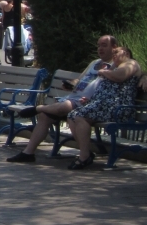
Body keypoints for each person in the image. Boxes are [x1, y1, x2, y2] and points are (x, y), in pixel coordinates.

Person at [7, 35, 116, 163]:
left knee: (65, 106)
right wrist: (71, 84)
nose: (100, 49)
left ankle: (37, 108)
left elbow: (134, 70)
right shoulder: (95, 63)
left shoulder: (116, 65)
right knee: (44, 116)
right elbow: (79, 79)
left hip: (86, 102)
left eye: (104, 45)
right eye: (98, 45)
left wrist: (144, 78)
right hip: (73, 96)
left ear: (114, 47)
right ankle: (28, 153)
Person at [66, 46, 141, 170]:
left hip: (119, 108)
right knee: (72, 115)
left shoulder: (131, 63)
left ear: (126, 53)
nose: (114, 55)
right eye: (113, 53)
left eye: (116, 52)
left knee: (79, 116)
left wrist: (103, 71)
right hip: (104, 105)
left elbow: (120, 76)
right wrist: (90, 99)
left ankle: (84, 156)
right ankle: (85, 153)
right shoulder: (115, 67)